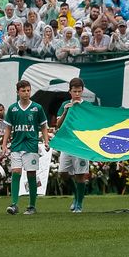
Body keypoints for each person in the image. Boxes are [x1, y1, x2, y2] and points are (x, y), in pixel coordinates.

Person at [2, 79, 49, 215]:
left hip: (31, 145)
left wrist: (46, 141)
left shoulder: (37, 108)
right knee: (16, 173)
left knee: (31, 174)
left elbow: (44, 126)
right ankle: (14, 204)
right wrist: (4, 144)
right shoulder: (12, 108)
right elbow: (8, 128)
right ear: (18, 92)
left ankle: (32, 205)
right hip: (16, 145)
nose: (26, 93)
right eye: (23, 90)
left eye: (28, 90)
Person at [53, 77, 90, 213]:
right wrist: (65, 111)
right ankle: (76, 196)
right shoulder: (65, 104)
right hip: (67, 144)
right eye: (74, 91)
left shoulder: (86, 106)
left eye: (79, 91)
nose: (77, 94)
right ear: (70, 91)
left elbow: (91, 125)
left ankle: (79, 203)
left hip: (81, 144)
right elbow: (58, 125)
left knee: (80, 175)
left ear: (82, 91)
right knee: (63, 173)